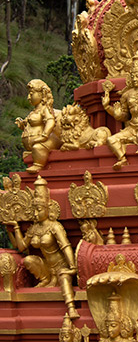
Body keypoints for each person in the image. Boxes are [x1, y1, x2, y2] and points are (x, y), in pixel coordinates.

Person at [7, 176, 79, 319]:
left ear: (48, 208)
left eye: (38, 209)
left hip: (60, 265)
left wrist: (72, 266)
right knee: (28, 260)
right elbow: (20, 247)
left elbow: (65, 246)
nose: (35, 213)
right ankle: (45, 280)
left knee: (64, 279)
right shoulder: (34, 228)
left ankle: (71, 307)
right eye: (34, 210)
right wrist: (14, 228)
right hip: (45, 267)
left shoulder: (55, 226)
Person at [15, 79, 62, 173]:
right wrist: (22, 125)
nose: (28, 97)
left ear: (42, 94)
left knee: (38, 147)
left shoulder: (45, 109)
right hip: (32, 144)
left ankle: (38, 164)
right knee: (36, 147)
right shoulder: (33, 112)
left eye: (31, 94)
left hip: (45, 140)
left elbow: (50, 121)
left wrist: (44, 136)